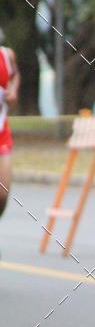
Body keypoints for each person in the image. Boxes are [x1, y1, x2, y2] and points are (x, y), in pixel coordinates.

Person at [0, 31, 19, 218]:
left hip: (2, 131)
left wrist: (12, 91)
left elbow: (14, 76)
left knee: (3, 193)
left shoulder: (7, 55)